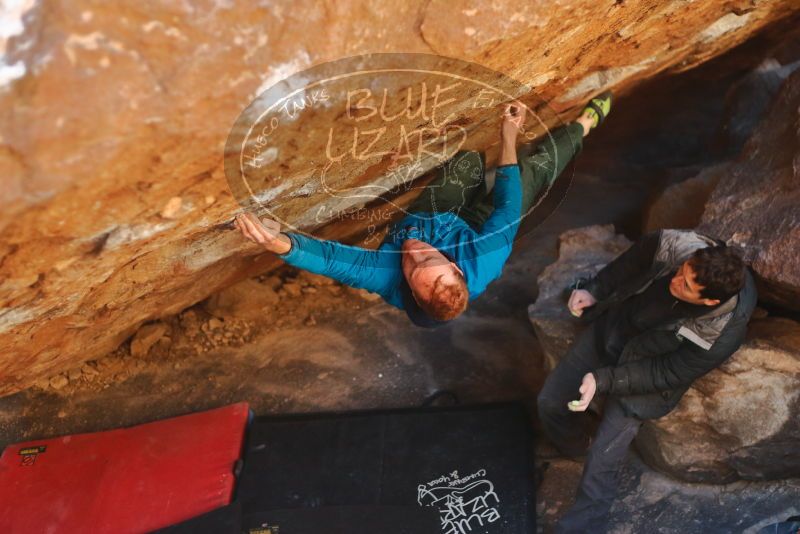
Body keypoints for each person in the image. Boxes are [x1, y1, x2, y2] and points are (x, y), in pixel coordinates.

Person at [235, 93, 613, 327]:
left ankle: (577, 127)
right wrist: (508, 136)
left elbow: (334, 260)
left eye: (412, 269)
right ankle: (583, 126)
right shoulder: (486, 256)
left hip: (433, 218)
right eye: (425, 261)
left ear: (410, 293)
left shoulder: (387, 277)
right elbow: (509, 199)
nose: (413, 254)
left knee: (466, 165)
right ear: (453, 267)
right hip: (473, 228)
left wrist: (279, 244)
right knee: (532, 170)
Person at [537, 229, 756, 532]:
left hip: (645, 374)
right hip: (614, 331)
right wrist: (596, 290)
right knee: (549, 401)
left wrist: (602, 381)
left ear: (708, 301)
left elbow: (666, 372)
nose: (675, 279)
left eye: (686, 284)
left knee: (601, 464)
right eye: (681, 270)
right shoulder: (680, 247)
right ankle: (576, 445)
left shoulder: (720, 333)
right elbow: (633, 260)